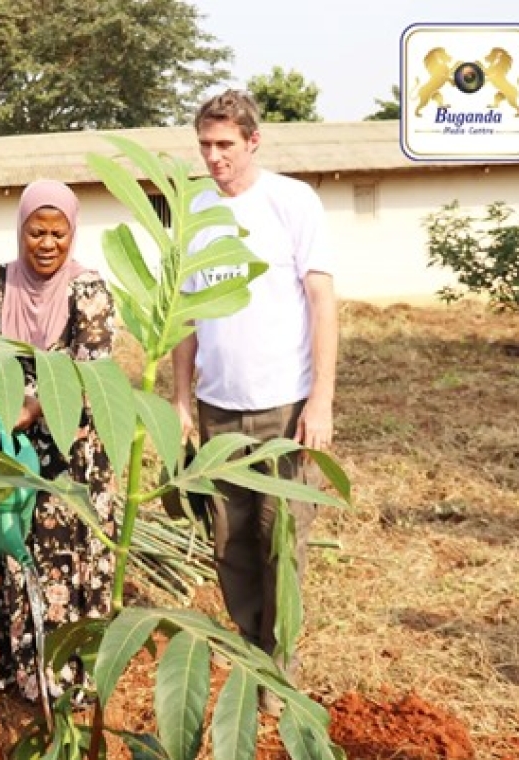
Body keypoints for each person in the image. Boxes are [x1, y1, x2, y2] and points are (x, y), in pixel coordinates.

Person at [170, 89, 338, 714]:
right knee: (229, 545)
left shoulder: (293, 202)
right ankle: (251, 652)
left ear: (252, 141)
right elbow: (185, 316)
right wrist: (181, 400)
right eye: (205, 146)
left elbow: (322, 303)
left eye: (225, 145)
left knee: (281, 543)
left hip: (284, 408)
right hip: (218, 410)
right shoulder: (193, 210)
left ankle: (279, 674)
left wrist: (321, 399)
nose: (214, 157)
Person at [0, 180, 117, 706]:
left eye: (58, 233)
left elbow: (93, 367)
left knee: (65, 558)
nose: (46, 244)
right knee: (9, 545)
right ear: (20, 229)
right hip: (9, 449)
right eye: (36, 232)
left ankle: (69, 676)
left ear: (72, 233)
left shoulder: (88, 288)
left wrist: (34, 405)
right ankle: (8, 666)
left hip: (72, 457)